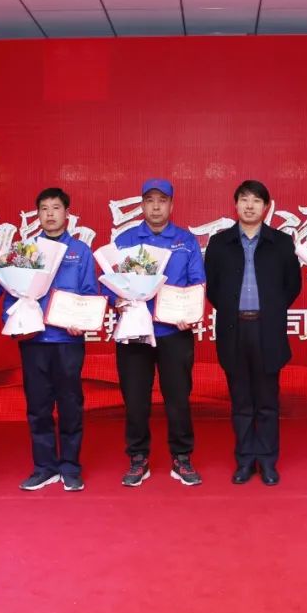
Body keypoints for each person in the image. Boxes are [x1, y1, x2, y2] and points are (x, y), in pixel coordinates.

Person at [109, 179, 206, 487]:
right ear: (142, 205)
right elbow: (108, 282)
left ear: (171, 205)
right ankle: (138, 457)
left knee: (178, 398)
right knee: (135, 399)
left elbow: (197, 281)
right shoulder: (124, 240)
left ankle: (182, 457)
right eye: (149, 200)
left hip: (173, 331)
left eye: (162, 201)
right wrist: (117, 300)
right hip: (134, 331)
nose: (155, 206)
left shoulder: (185, 241)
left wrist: (190, 312)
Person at [205, 180, 301, 486]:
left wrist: (270, 309)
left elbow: (292, 286)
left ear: (266, 207)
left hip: (266, 330)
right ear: (235, 205)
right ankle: (245, 460)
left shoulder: (281, 243)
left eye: (256, 200)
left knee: (268, 402)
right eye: (244, 199)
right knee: (241, 402)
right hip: (234, 330)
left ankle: (268, 461)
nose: (250, 206)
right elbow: (213, 289)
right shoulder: (220, 243)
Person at [9, 188, 98, 493]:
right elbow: (12, 293)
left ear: (67, 214)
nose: (49, 214)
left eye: (56, 208)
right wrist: (17, 322)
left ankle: (70, 467)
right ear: (37, 215)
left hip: (67, 342)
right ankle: (44, 467)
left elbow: (89, 293)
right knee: (38, 407)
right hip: (35, 340)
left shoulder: (80, 251)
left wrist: (81, 321)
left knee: (71, 405)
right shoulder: (26, 251)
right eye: (44, 208)